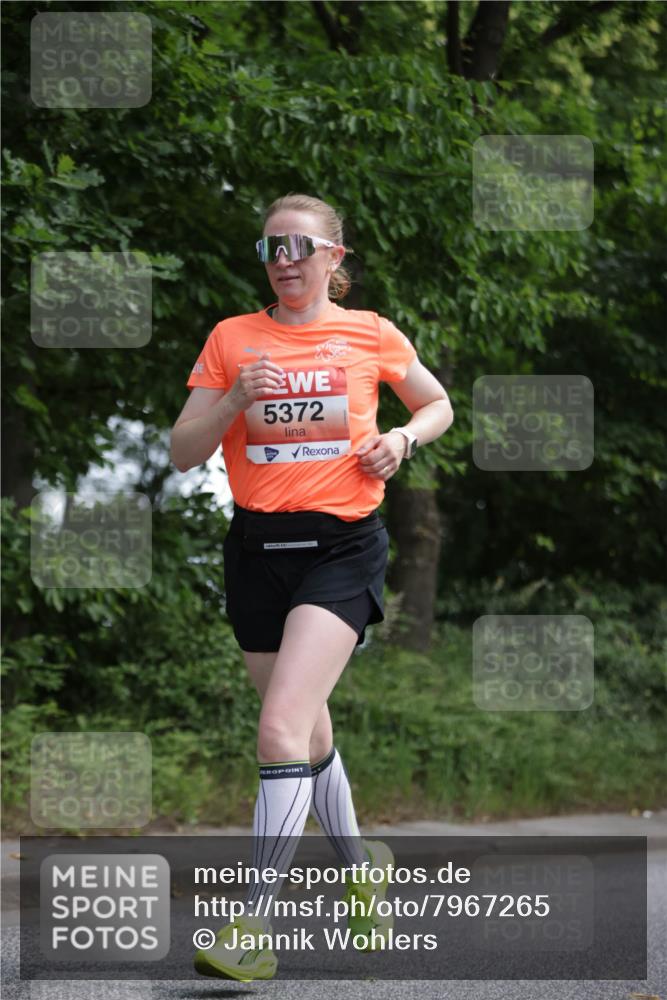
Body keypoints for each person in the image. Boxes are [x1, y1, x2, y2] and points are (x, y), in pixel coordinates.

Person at [170, 193, 453, 981]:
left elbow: (436, 404)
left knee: (277, 733)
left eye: (299, 246)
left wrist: (399, 438)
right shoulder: (232, 339)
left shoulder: (371, 334)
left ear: (334, 257)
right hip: (257, 551)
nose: (284, 261)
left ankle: (253, 926)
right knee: (308, 733)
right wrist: (232, 399)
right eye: (270, 250)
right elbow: (183, 452)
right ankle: (363, 867)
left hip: (342, 547)